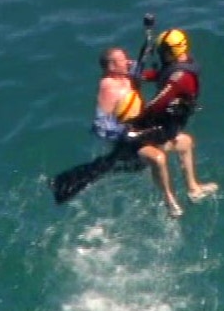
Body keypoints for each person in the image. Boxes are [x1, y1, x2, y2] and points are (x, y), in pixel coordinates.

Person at [92, 29, 217, 218]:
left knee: (186, 142)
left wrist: (149, 47)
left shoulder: (125, 74)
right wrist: (124, 132)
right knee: (158, 158)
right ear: (111, 67)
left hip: (141, 130)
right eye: (122, 61)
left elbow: (144, 70)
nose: (128, 62)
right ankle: (169, 202)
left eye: (127, 59)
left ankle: (194, 189)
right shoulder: (108, 87)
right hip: (126, 139)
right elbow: (101, 126)